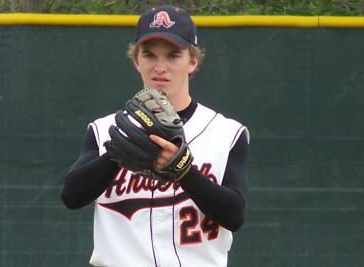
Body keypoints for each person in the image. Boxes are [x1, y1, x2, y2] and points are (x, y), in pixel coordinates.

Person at [61, 5, 250, 267]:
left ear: (192, 61)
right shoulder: (106, 130)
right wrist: (117, 154)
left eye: (173, 56)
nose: (160, 67)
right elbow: (72, 196)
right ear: (137, 61)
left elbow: (235, 215)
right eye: (150, 55)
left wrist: (185, 172)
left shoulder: (225, 133)